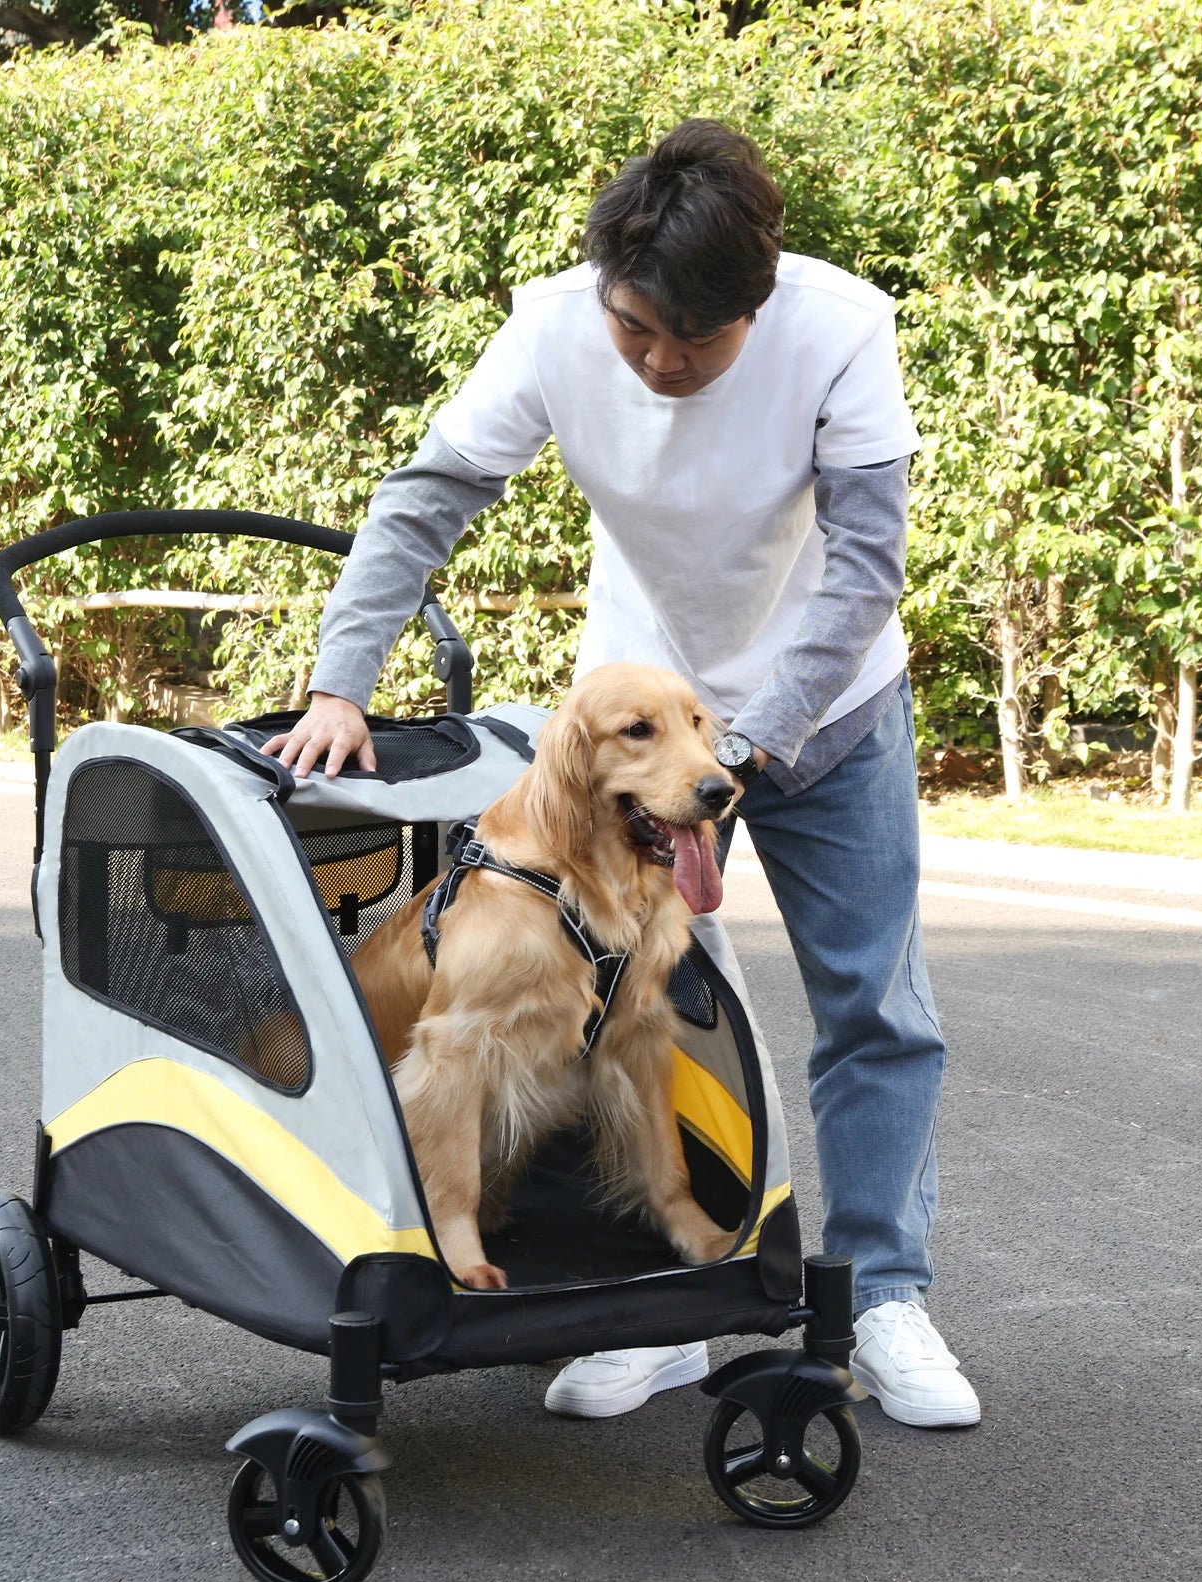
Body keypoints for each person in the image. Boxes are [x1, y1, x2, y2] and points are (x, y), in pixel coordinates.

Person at [264, 119, 979, 1429]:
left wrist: (746, 740)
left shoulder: (841, 329)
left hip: (823, 712)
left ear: (754, 308)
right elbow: (423, 497)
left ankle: (881, 1297)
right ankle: (658, 1304)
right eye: (632, 328)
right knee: (607, 1003)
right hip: (633, 716)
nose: (654, 360)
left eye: (690, 346)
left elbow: (866, 567)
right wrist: (338, 680)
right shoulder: (549, 327)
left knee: (875, 1007)